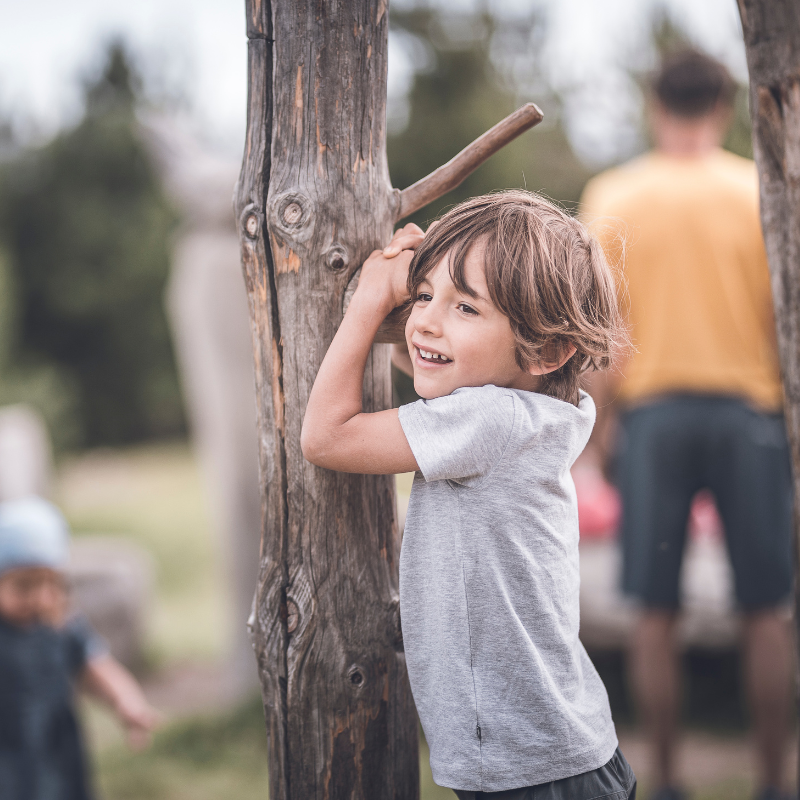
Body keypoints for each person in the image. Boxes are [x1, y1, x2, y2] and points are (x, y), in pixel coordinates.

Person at [301, 190, 635, 799]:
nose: (424, 320)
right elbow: (435, 367)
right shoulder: (538, 410)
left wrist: (369, 302)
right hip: (557, 755)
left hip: (530, 771)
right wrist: (436, 308)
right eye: (423, 295)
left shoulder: (486, 421)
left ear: (548, 350)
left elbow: (326, 436)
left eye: (466, 308)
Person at [580, 49, 795, 800]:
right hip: (753, 418)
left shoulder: (615, 194)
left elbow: (600, 336)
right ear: (726, 104)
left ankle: (665, 782)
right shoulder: (761, 191)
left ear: (653, 104)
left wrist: (600, 433)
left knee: (653, 610)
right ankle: (775, 784)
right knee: (768, 608)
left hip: (657, 419)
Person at [0, 495, 160, 800]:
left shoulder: (64, 627)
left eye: (53, 585)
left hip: (56, 750)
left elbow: (96, 667)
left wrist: (126, 700)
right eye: (23, 587)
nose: (40, 599)